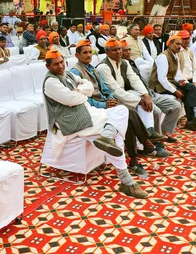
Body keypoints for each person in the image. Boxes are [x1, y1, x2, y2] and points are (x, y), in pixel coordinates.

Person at [43, 48, 148, 199]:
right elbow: (73, 99)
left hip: (86, 113)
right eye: (55, 65)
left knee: (122, 110)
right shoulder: (51, 82)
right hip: (68, 121)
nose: (60, 66)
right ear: (48, 67)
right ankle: (126, 181)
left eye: (61, 62)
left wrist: (80, 92)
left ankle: (107, 136)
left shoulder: (67, 74)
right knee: (115, 131)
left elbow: (89, 87)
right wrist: (82, 93)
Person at [97, 38, 170, 143]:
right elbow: (115, 90)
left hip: (124, 94)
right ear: (107, 53)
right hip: (111, 98)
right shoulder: (103, 67)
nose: (118, 52)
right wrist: (140, 100)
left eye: (119, 49)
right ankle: (148, 137)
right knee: (141, 103)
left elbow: (135, 79)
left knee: (144, 101)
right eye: (114, 50)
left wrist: (146, 95)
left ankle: (150, 133)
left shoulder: (124, 62)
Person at [149, 34, 196, 132]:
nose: (179, 46)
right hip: (159, 86)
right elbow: (161, 79)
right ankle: (194, 119)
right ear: (170, 44)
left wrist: (181, 81)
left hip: (170, 82)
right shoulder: (163, 57)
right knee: (188, 92)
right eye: (177, 44)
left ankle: (195, 118)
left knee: (190, 87)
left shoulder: (175, 55)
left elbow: (177, 74)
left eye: (180, 44)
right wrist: (175, 91)